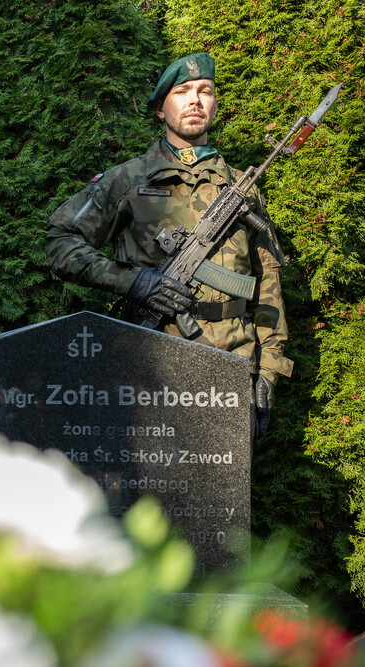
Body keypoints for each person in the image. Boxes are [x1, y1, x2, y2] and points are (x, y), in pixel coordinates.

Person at [43, 53, 292, 436]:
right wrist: (132, 282)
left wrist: (271, 369)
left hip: (231, 365)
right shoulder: (126, 181)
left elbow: (267, 281)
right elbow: (61, 240)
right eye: (183, 91)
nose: (195, 100)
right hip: (146, 364)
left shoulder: (241, 187)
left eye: (204, 91)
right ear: (161, 108)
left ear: (215, 104)